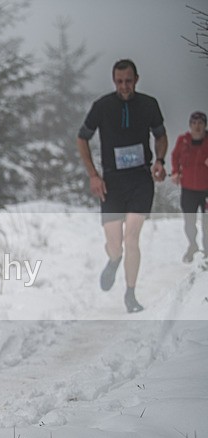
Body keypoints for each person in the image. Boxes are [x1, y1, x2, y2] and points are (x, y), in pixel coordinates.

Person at [76, 59, 168, 313]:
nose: (124, 86)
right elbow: (82, 138)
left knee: (132, 238)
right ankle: (114, 260)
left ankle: (130, 294)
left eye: (128, 81)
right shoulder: (102, 106)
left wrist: (159, 160)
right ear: (113, 81)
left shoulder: (149, 104)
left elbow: (160, 135)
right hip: (112, 182)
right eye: (119, 81)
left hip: (140, 179)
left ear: (136, 79)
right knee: (115, 244)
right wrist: (93, 175)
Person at [171, 111, 208, 263]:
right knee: (189, 222)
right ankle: (192, 245)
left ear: (205, 125)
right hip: (188, 189)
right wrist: (175, 172)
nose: (197, 127)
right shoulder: (183, 141)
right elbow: (175, 157)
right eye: (194, 123)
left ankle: (207, 252)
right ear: (190, 125)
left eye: (200, 123)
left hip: (206, 189)